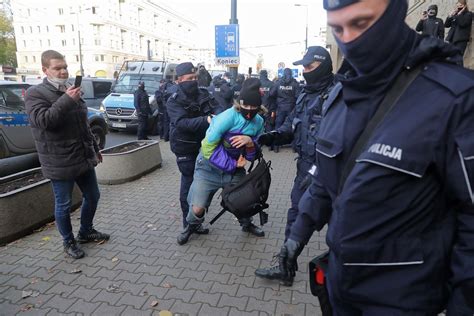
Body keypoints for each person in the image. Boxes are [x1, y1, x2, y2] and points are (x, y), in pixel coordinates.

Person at [278, 0, 474, 314]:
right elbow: (323, 182)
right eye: (338, 29)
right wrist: (296, 235)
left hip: (403, 301)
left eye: (362, 23)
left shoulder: (455, 98)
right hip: (341, 289)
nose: (350, 39)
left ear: (396, 10)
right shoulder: (339, 98)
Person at [254, 46, 336, 286]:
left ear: (325, 65)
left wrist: (321, 169)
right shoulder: (304, 94)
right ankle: (285, 266)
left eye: (311, 67)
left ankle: (343, 278)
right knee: (296, 214)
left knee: (339, 226)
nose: (306, 71)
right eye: (304, 67)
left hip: (331, 173)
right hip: (305, 169)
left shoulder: (338, 94)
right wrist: (274, 135)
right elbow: (292, 124)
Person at [25, 50, 110, 259]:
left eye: (65, 67)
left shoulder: (71, 90)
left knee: (93, 196)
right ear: (45, 70)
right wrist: (67, 100)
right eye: (57, 68)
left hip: (82, 156)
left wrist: (95, 149)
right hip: (59, 160)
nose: (63, 71)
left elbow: (84, 125)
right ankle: (68, 241)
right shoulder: (36, 93)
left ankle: (85, 231)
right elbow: (43, 121)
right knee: (63, 204)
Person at [177, 78, 266, 245]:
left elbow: (254, 153)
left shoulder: (259, 122)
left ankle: (246, 224)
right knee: (198, 207)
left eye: (254, 107)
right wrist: (232, 165)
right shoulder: (226, 118)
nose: (249, 110)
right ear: (240, 103)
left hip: (234, 170)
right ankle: (192, 226)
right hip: (208, 167)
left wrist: (249, 142)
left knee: (245, 200)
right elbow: (207, 148)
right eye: (245, 106)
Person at [167, 62, 220, 236]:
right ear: (179, 80)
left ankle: (197, 221)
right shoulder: (173, 100)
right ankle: (187, 225)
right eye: (190, 79)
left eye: (196, 78)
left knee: (206, 187)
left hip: (206, 146)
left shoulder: (204, 93)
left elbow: (217, 109)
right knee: (188, 189)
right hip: (185, 148)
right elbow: (182, 123)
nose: (194, 81)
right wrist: (206, 120)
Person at [267, 68, 301, 152]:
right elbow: (298, 96)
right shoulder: (295, 83)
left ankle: (276, 146)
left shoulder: (278, 83)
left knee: (278, 125)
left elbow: (271, 94)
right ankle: (293, 146)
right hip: (291, 108)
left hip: (280, 107)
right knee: (292, 126)